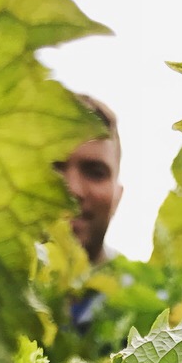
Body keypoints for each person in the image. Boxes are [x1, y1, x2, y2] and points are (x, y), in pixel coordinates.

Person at [53, 95, 123, 265]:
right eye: (54, 167)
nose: (73, 189)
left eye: (95, 173)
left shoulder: (146, 289)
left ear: (118, 197)